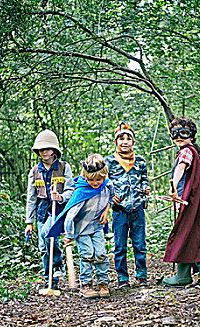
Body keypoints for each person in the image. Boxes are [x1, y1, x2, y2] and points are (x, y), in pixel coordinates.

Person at [48, 154, 114, 298]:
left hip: (97, 226)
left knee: (101, 253)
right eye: (91, 179)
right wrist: (69, 235)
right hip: (81, 228)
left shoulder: (107, 185)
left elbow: (111, 195)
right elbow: (70, 209)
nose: (95, 183)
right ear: (85, 177)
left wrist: (106, 209)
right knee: (87, 254)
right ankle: (86, 284)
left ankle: (103, 283)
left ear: (104, 175)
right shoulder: (81, 190)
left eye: (99, 179)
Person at [162, 118, 200, 286]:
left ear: (192, 137)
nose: (179, 137)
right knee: (197, 232)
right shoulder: (194, 152)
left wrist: (174, 185)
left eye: (184, 133)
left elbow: (181, 167)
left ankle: (183, 275)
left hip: (189, 202)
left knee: (183, 233)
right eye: (175, 133)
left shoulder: (186, 151)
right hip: (197, 202)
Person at [25, 130, 74, 289]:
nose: (44, 151)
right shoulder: (34, 171)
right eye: (41, 149)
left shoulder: (63, 167)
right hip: (42, 211)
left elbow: (70, 190)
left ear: (54, 150)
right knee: (43, 248)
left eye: (47, 148)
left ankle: (58, 264)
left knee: (48, 234)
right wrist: (29, 222)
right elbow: (31, 198)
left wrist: (60, 196)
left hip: (58, 210)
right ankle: (50, 281)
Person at [105, 122, 150, 288]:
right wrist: (111, 198)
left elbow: (144, 178)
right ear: (116, 142)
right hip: (119, 209)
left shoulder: (140, 161)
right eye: (121, 139)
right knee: (120, 245)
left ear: (133, 142)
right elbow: (103, 184)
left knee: (139, 244)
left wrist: (145, 191)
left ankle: (142, 276)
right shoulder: (109, 162)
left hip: (137, 207)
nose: (125, 142)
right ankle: (122, 278)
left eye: (128, 138)